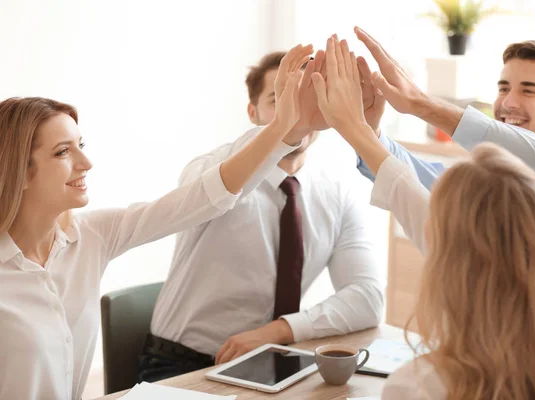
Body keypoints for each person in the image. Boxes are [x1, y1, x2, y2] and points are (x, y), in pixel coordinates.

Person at [0, 43, 314, 400]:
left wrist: (283, 127)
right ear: (19, 171)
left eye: (81, 144)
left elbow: (201, 199)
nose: (86, 162)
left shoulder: (91, 237)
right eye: (63, 152)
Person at [311, 32, 535, 400]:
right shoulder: (477, 185)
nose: (508, 102)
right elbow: (412, 185)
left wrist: (417, 106)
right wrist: (368, 131)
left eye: (529, 90)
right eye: (503, 87)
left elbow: (411, 198)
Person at [137, 48, 385, 382]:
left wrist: (279, 330)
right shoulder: (210, 170)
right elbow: (214, 188)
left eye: (308, 98)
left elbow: (367, 299)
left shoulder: (336, 191)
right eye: (279, 100)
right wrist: (286, 129)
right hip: (181, 363)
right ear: (253, 113)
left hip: (271, 357)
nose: (297, 111)